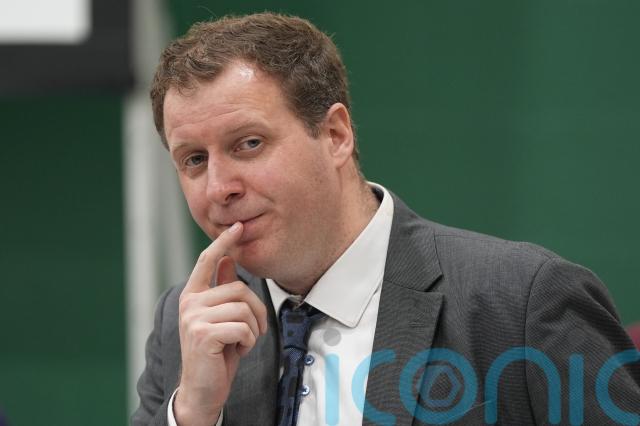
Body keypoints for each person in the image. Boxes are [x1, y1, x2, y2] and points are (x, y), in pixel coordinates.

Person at [132, 12, 640, 426]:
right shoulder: (186, 323)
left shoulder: (520, 303)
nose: (219, 187)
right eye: (193, 159)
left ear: (335, 135)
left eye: (249, 143)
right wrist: (192, 413)